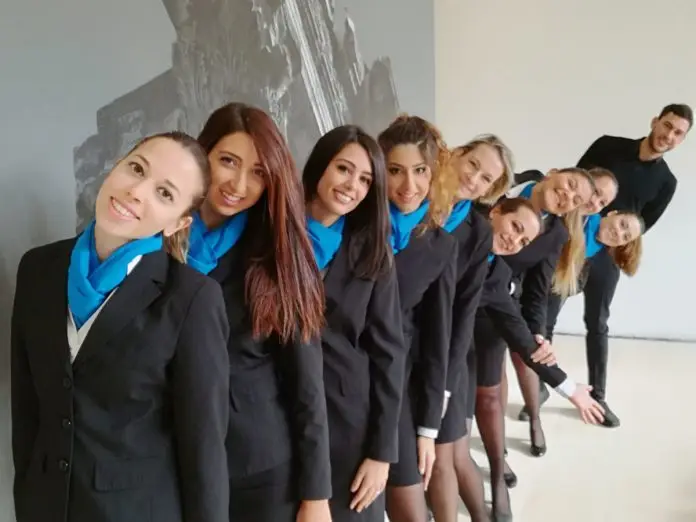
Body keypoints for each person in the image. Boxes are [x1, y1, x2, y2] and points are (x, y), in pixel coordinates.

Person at [11, 132, 230, 522]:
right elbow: (27, 406)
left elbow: (204, 447)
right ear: (115, 166)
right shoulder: (38, 268)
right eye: (137, 169)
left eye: (164, 193)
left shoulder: (192, 298)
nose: (136, 191)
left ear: (177, 222)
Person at [187, 103, 332, 522]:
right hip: (172, 458)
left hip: (256, 467)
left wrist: (316, 495)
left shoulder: (278, 256)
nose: (238, 184)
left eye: (257, 172)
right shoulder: (158, 242)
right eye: (228, 161)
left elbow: (307, 383)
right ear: (202, 155)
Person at [456, 197, 605, 522]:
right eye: (515, 227)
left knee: (453, 445)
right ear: (495, 211)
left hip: (449, 359)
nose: (514, 240)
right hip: (406, 352)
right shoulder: (454, 236)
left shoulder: (497, 275)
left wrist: (569, 388)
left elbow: (520, 334)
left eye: (523, 241)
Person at [304, 125, 406, 522]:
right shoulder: (274, 233)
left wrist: (382, 452)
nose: (352, 186)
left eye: (365, 179)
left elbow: (390, 354)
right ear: (320, 166)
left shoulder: (372, 251)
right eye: (344, 169)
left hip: (347, 420)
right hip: (276, 414)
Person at [571, 102, 692, 427]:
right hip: (573, 240)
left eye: (678, 133)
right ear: (655, 121)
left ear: (682, 140)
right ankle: (540, 385)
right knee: (544, 311)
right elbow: (575, 183)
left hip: (607, 252)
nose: (669, 135)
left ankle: (598, 396)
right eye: (667, 126)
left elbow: (641, 226)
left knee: (597, 322)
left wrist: (614, 237)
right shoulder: (608, 145)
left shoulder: (667, 182)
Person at [425, 135, 514, 522]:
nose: (474, 179)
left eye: (486, 179)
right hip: (400, 344)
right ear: (457, 155)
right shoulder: (416, 199)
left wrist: (446, 383)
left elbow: (464, 311)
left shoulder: (477, 231)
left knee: (447, 458)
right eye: (473, 165)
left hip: (446, 355)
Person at [377, 115, 458, 522]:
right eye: (395, 171)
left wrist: (428, 428)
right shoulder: (355, 228)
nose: (408, 185)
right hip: (338, 386)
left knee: (410, 505)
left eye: (420, 171)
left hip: (397, 390)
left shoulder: (440, 245)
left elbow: (436, 338)